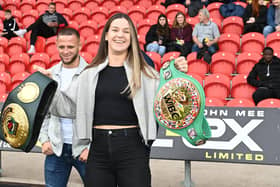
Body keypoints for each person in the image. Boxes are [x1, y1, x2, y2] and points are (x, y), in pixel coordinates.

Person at [36, 13, 188, 187]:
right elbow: (67, 109)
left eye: (126, 31)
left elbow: (166, 102)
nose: (120, 35)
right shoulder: (89, 73)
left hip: (133, 148)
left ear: (132, 37)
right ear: (106, 35)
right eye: (115, 30)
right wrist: (50, 87)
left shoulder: (146, 74)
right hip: (97, 150)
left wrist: (174, 71)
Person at [38, 28, 88, 187]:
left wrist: (91, 147)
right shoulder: (50, 74)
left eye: (70, 47)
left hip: (84, 150)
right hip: (55, 149)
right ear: (56, 45)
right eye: (62, 47)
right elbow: (43, 113)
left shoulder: (92, 74)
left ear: (80, 45)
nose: (66, 51)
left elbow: (101, 115)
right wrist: (44, 140)